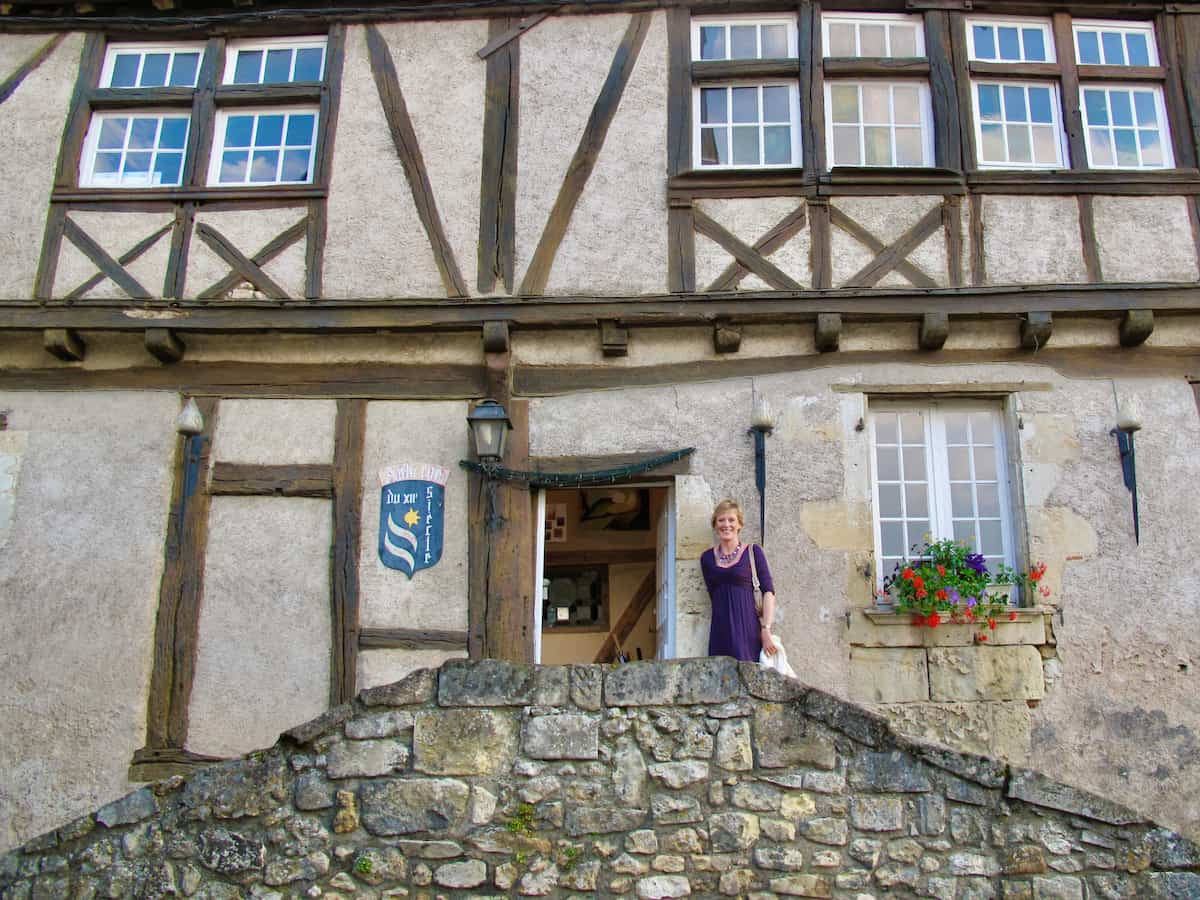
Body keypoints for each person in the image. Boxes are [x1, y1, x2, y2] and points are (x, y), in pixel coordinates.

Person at [700, 498, 778, 662]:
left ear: (739, 525)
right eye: (721, 520)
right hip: (720, 630)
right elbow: (713, 595)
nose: (726, 524)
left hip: (748, 629)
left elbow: (769, 592)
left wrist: (765, 629)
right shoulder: (706, 559)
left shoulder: (753, 552)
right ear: (715, 525)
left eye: (731, 520)